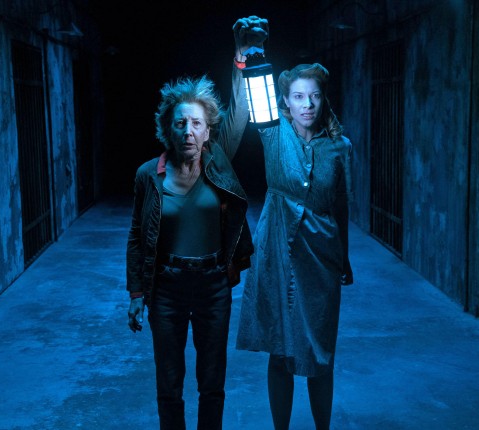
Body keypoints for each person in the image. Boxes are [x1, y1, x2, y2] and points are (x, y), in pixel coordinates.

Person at [125, 17, 268, 429]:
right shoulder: (148, 175)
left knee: (212, 383)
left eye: (197, 124)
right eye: (180, 123)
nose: (188, 131)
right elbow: (137, 236)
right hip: (166, 287)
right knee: (169, 385)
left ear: (208, 133)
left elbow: (239, 113)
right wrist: (136, 292)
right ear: (168, 129)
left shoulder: (217, 162)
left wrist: (240, 58)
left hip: (212, 286)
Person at [235, 17, 354, 430]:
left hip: (322, 255)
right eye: (299, 96)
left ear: (323, 100)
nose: (307, 104)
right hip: (277, 251)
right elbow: (257, 87)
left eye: (314, 96)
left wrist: (345, 258)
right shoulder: (273, 131)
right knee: (280, 350)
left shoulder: (339, 146)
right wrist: (254, 51)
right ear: (286, 101)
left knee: (321, 353)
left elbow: (341, 204)